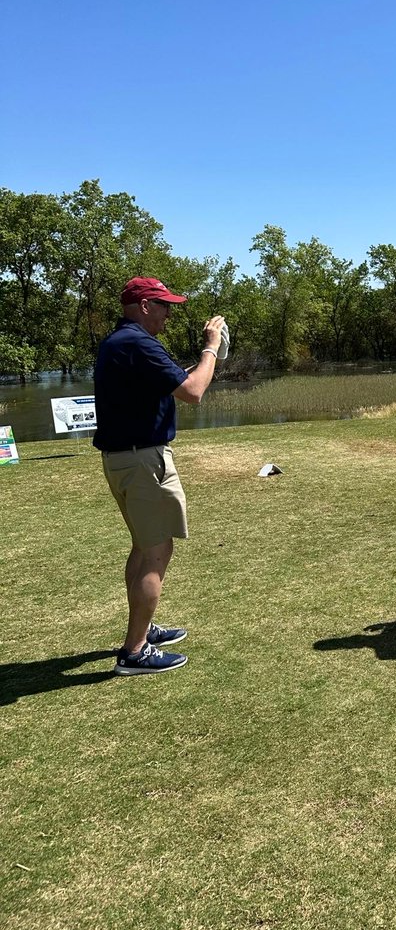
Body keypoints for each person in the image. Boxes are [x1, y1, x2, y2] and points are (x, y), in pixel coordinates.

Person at [93, 277, 226, 676]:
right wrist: (211, 348)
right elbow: (194, 391)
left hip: (125, 459)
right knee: (156, 551)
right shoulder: (136, 342)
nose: (170, 312)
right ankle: (134, 651)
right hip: (142, 461)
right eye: (165, 304)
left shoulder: (123, 340)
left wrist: (198, 363)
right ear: (145, 305)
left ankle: (143, 630)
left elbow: (171, 382)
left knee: (142, 546)